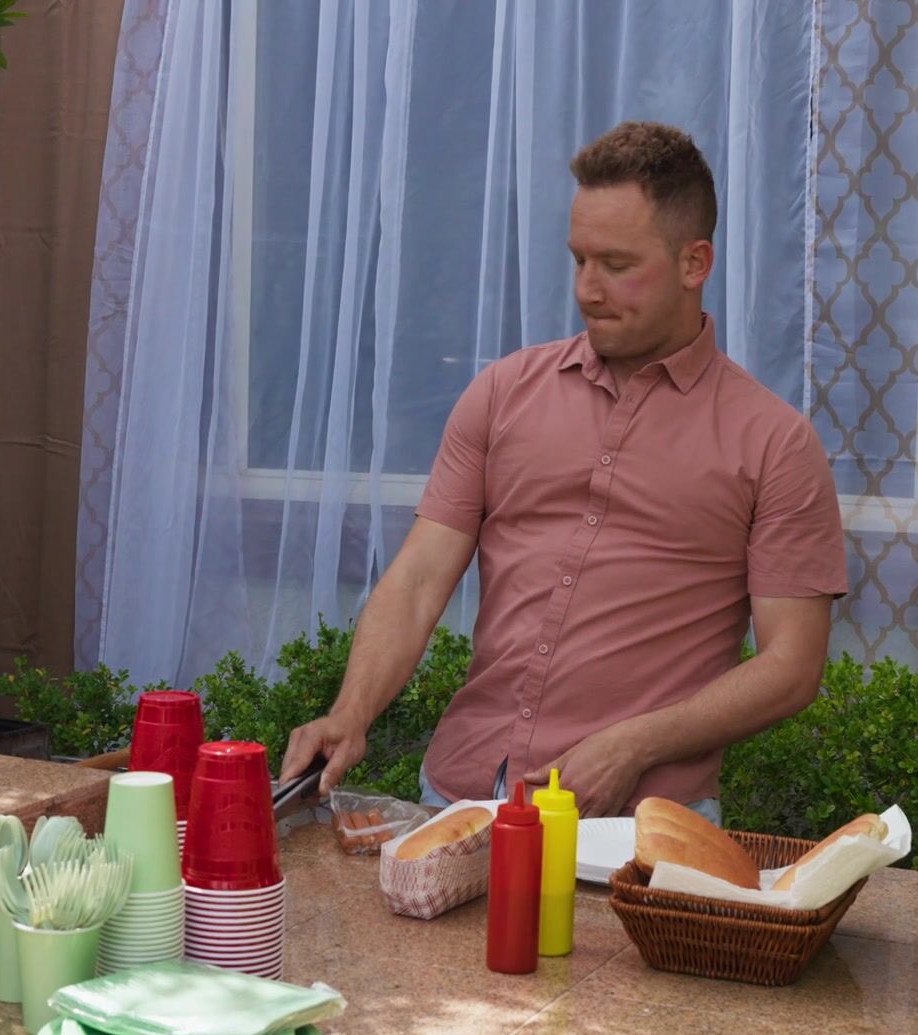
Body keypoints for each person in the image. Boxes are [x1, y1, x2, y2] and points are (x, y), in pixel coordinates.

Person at [278, 121, 847, 823]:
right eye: (579, 259)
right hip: (458, 797)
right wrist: (351, 711)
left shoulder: (774, 443)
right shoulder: (502, 393)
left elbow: (792, 666)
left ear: (694, 263)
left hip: (636, 825)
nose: (587, 289)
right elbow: (420, 578)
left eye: (616, 264)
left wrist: (636, 744)